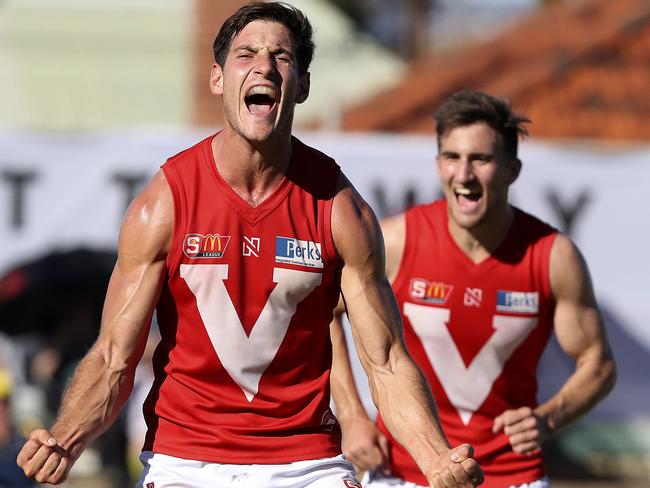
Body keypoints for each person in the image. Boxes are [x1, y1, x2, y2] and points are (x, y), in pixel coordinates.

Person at [16, 3, 483, 487]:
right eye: (247, 54)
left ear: (301, 86)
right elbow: (114, 357)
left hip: (307, 466)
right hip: (185, 464)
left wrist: (435, 459)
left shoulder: (341, 210)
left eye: (281, 56)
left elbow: (385, 362)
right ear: (217, 78)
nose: (264, 66)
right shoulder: (164, 204)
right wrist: (65, 440)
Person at [331, 90, 616, 488]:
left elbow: (598, 365)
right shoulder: (396, 242)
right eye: (452, 158)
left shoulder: (552, 256)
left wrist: (548, 418)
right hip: (405, 473)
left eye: (480, 159)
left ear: (512, 170)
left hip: (513, 476)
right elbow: (323, 313)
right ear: (437, 164)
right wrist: (351, 416)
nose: (463, 175)